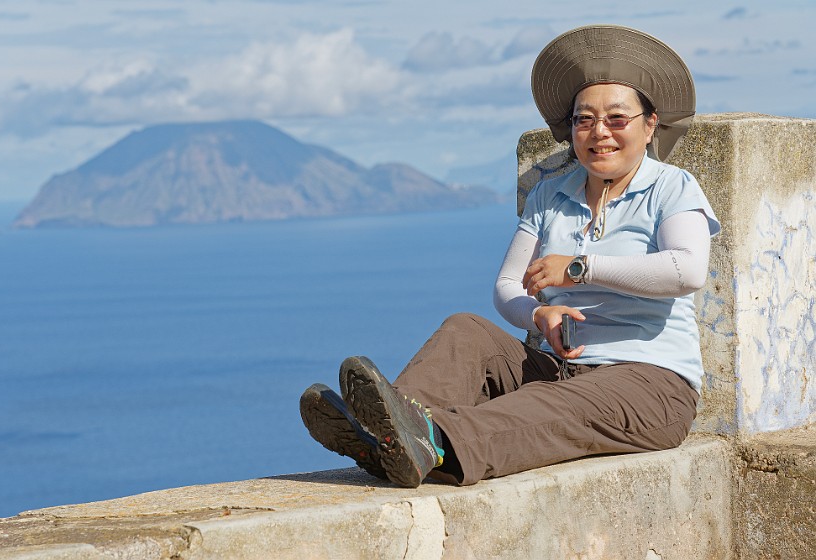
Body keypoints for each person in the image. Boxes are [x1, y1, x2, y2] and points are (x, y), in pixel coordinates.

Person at [299, 24, 721, 488]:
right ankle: (394, 431)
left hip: (648, 384)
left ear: (650, 123)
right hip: (564, 368)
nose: (599, 133)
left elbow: (687, 269)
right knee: (466, 330)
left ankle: (434, 439)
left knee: (553, 406)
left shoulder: (671, 187)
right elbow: (506, 287)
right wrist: (538, 314)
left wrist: (580, 267)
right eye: (584, 120)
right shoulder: (550, 193)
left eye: (617, 119)